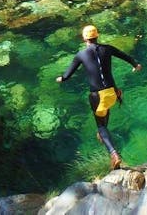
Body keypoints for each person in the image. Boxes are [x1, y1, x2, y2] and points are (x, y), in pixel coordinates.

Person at [56, 25, 142, 170]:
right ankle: (103, 134)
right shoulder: (107, 48)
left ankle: (113, 153)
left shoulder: (81, 55)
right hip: (112, 93)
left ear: (85, 38)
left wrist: (61, 79)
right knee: (105, 113)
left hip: (98, 95)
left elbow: (68, 74)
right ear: (97, 36)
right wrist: (136, 65)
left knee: (100, 125)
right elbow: (124, 56)